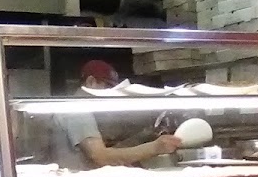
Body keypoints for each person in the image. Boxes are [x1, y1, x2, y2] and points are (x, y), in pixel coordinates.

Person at [51, 59, 182, 170]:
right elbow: (100, 156)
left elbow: (107, 151)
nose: (112, 94)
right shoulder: (77, 109)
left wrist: (145, 136)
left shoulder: (81, 107)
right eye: (108, 86)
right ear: (91, 82)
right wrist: (155, 147)